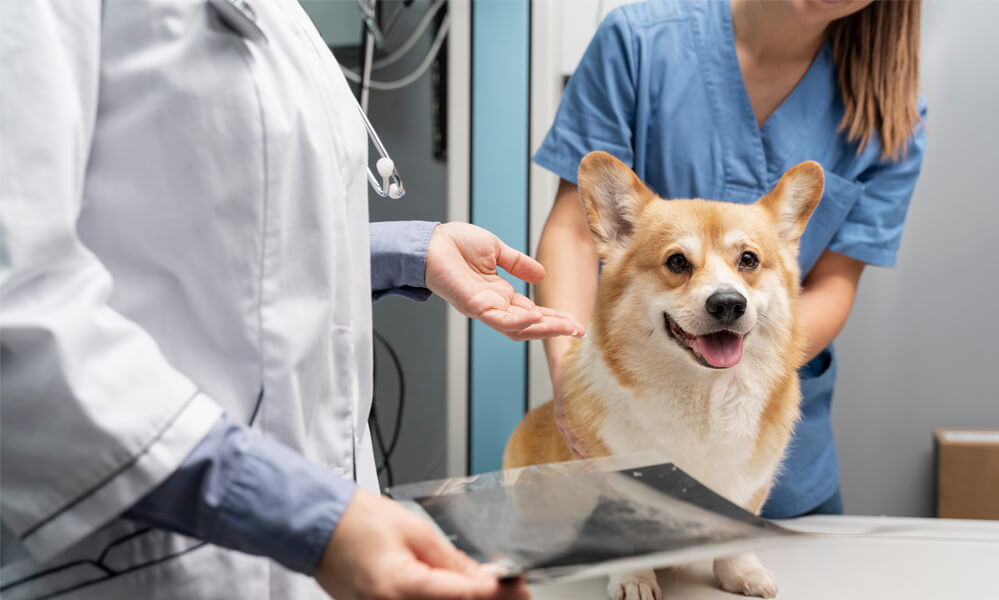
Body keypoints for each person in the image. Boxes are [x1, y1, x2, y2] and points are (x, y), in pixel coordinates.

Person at [0, 1, 582, 599]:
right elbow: (19, 315)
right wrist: (313, 518)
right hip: (145, 560)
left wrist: (403, 251)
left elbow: (216, 244)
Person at [533, 0, 926, 518]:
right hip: (628, 432)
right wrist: (572, 380)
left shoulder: (888, 114)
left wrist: (742, 381)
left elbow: (834, 285)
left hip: (769, 461)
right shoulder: (640, 40)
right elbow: (576, 234)